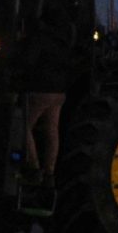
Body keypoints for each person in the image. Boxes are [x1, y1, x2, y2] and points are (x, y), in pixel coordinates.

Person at [15, 10, 74, 186]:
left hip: (39, 89)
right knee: (52, 131)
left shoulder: (39, 38)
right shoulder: (63, 41)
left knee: (24, 128)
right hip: (59, 92)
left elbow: (28, 60)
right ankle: (49, 172)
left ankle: (33, 169)